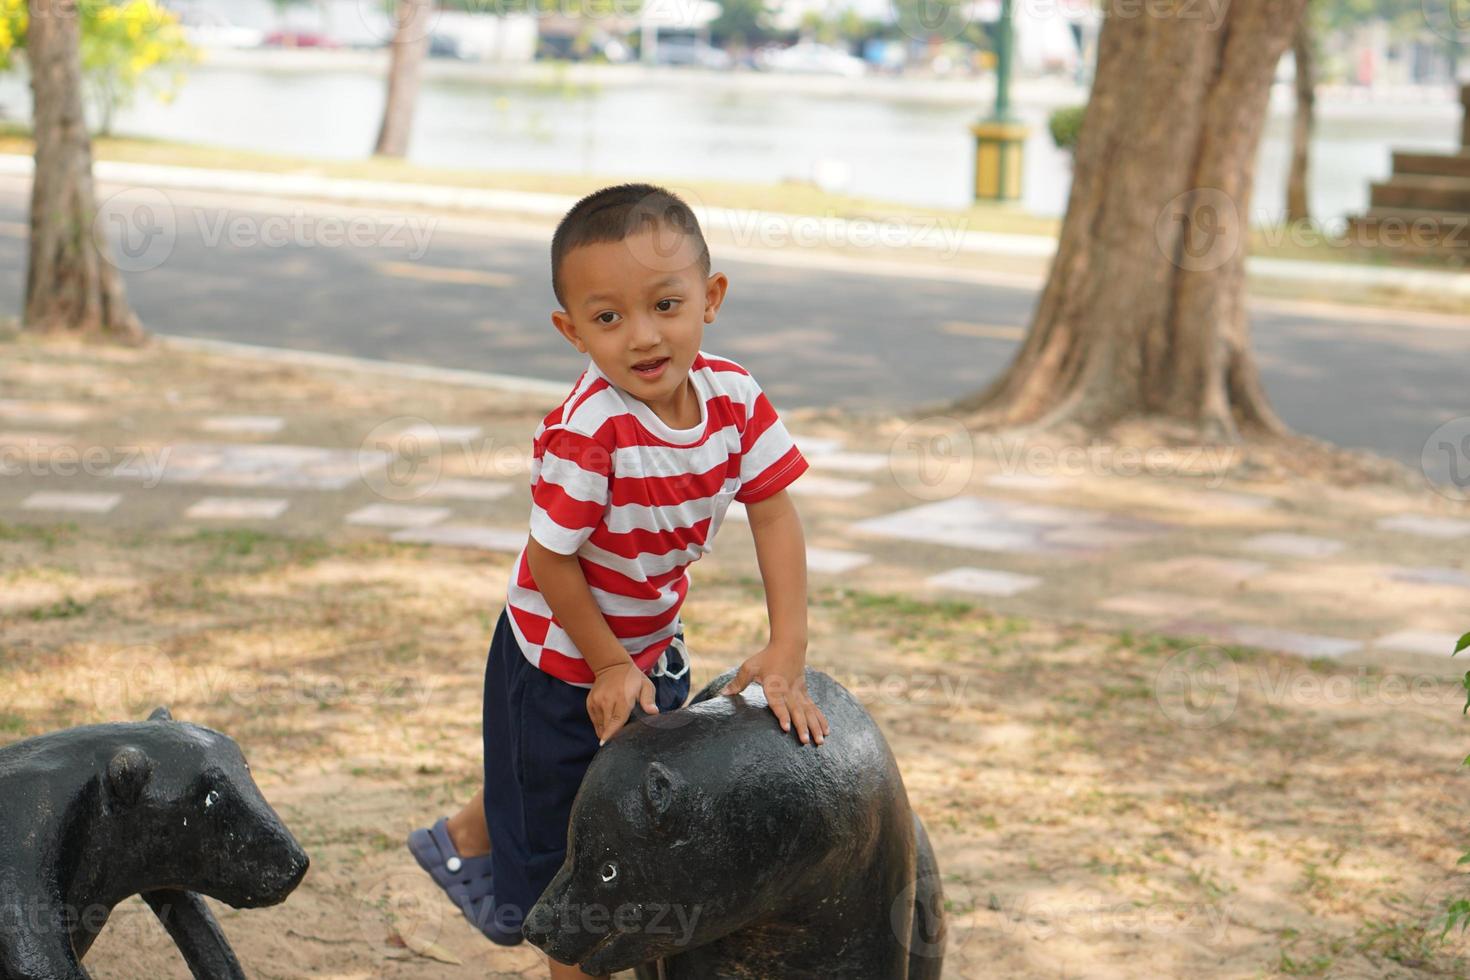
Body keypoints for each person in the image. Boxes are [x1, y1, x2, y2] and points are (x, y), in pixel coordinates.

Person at [407, 182, 830, 979]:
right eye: (608, 318)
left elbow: (773, 510)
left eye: (666, 305)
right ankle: (504, 867)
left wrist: (787, 644)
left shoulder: (734, 398)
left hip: (647, 639)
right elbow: (550, 560)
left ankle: (464, 835)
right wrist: (605, 664)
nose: (643, 336)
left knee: (631, 799)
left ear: (712, 298)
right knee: (567, 850)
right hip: (559, 660)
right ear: (573, 332)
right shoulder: (591, 431)